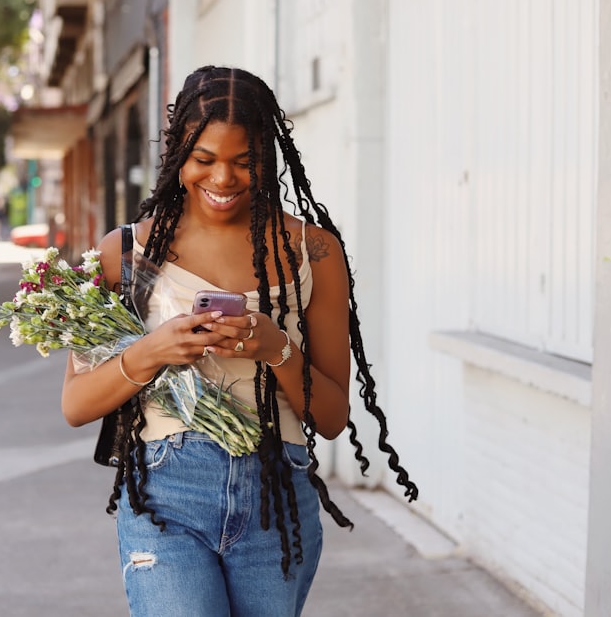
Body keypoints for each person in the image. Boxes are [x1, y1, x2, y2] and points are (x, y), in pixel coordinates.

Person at [61, 66, 417, 616]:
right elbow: (76, 404)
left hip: (277, 499)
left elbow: (331, 417)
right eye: (203, 159)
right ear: (177, 151)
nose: (223, 178)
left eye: (245, 161)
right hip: (165, 497)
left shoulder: (313, 252)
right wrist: (154, 350)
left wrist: (274, 348)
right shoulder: (126, 252)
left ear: (267, 159)